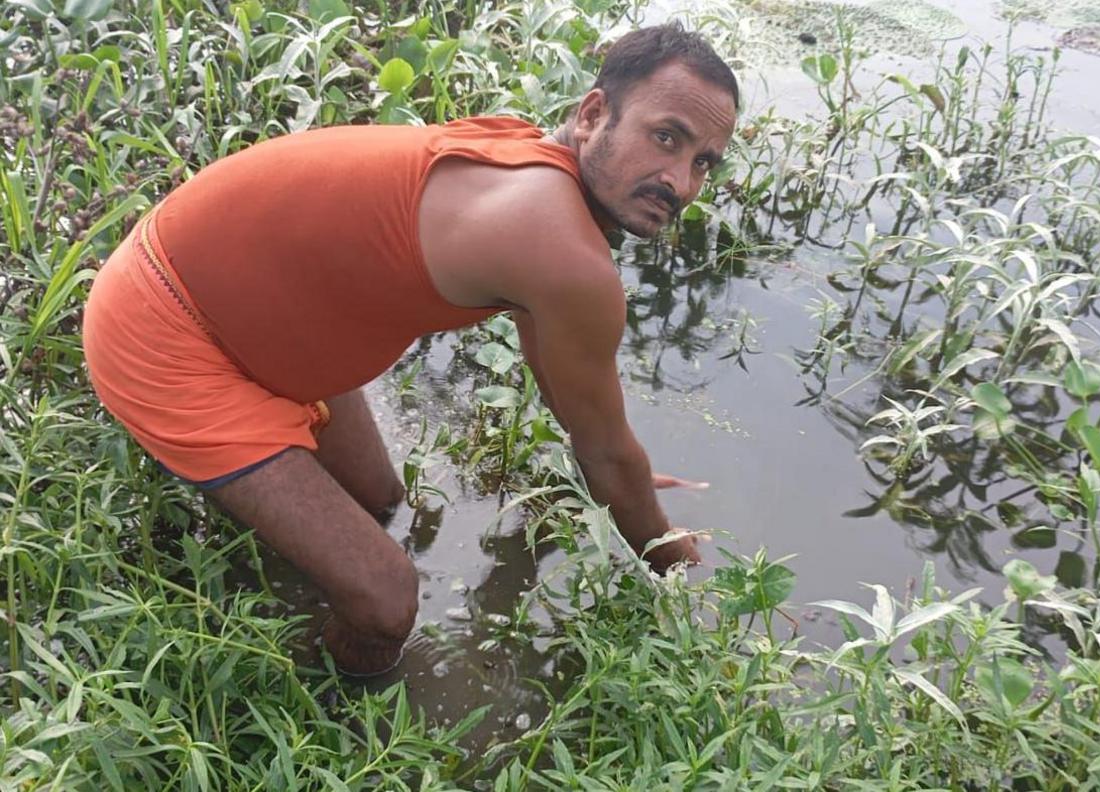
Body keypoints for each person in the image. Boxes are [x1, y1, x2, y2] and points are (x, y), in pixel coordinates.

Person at [81, 22, 739, 675]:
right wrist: (688, 586)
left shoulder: (533, 165)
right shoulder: (564, 254)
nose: (680, 182)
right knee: (385, 603)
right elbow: (603, 449)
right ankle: (322, 715)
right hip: (165, 328)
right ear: (594, 114)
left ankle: (256, 527)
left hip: (244, 309)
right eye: (665, 138)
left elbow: (584, 415)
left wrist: (617, 469)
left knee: (381, 502)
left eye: (703, 161)